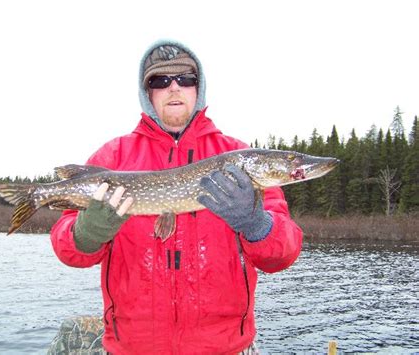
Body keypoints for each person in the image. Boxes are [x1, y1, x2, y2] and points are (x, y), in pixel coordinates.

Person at [50, 40, 303, 354]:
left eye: (185, 79)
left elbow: (284, 254)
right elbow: (67, 249)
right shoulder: (113, 157)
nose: (174, 88)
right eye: (160, 81)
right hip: (135, 347)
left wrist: (257, 224)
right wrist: (87, 233)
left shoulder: (236, 157)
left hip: (224, 347)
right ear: (148, 94)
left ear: (199, 89)